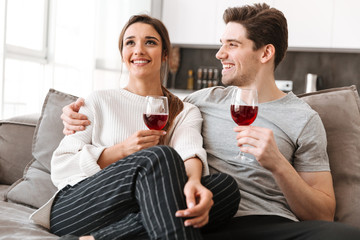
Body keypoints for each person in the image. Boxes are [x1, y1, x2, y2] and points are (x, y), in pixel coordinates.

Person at [62, 4, 360, 240]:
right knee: (218, 189)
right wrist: (72, 116)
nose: (219, 54)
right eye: (222, 44)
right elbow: (148, 106)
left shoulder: (304, 119)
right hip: (205, 216)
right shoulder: (198, 102)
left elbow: (322, 213)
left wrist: (278, 164)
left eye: (232, 44)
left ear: (266, 52)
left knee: (346, 236)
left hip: (271, 222)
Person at [31, 14, 240, 240]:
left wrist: (194, 183)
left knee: (223, 189)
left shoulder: (184, 111)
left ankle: (99, 238)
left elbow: (189, 152)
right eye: (130, 43)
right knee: (159, 156)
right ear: (122, 54)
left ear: (165, 55)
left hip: (136, 209)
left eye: (150, 42)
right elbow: (61, 165)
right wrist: (121, 151)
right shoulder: (97, 101)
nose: (139, 50)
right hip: (78, 208)